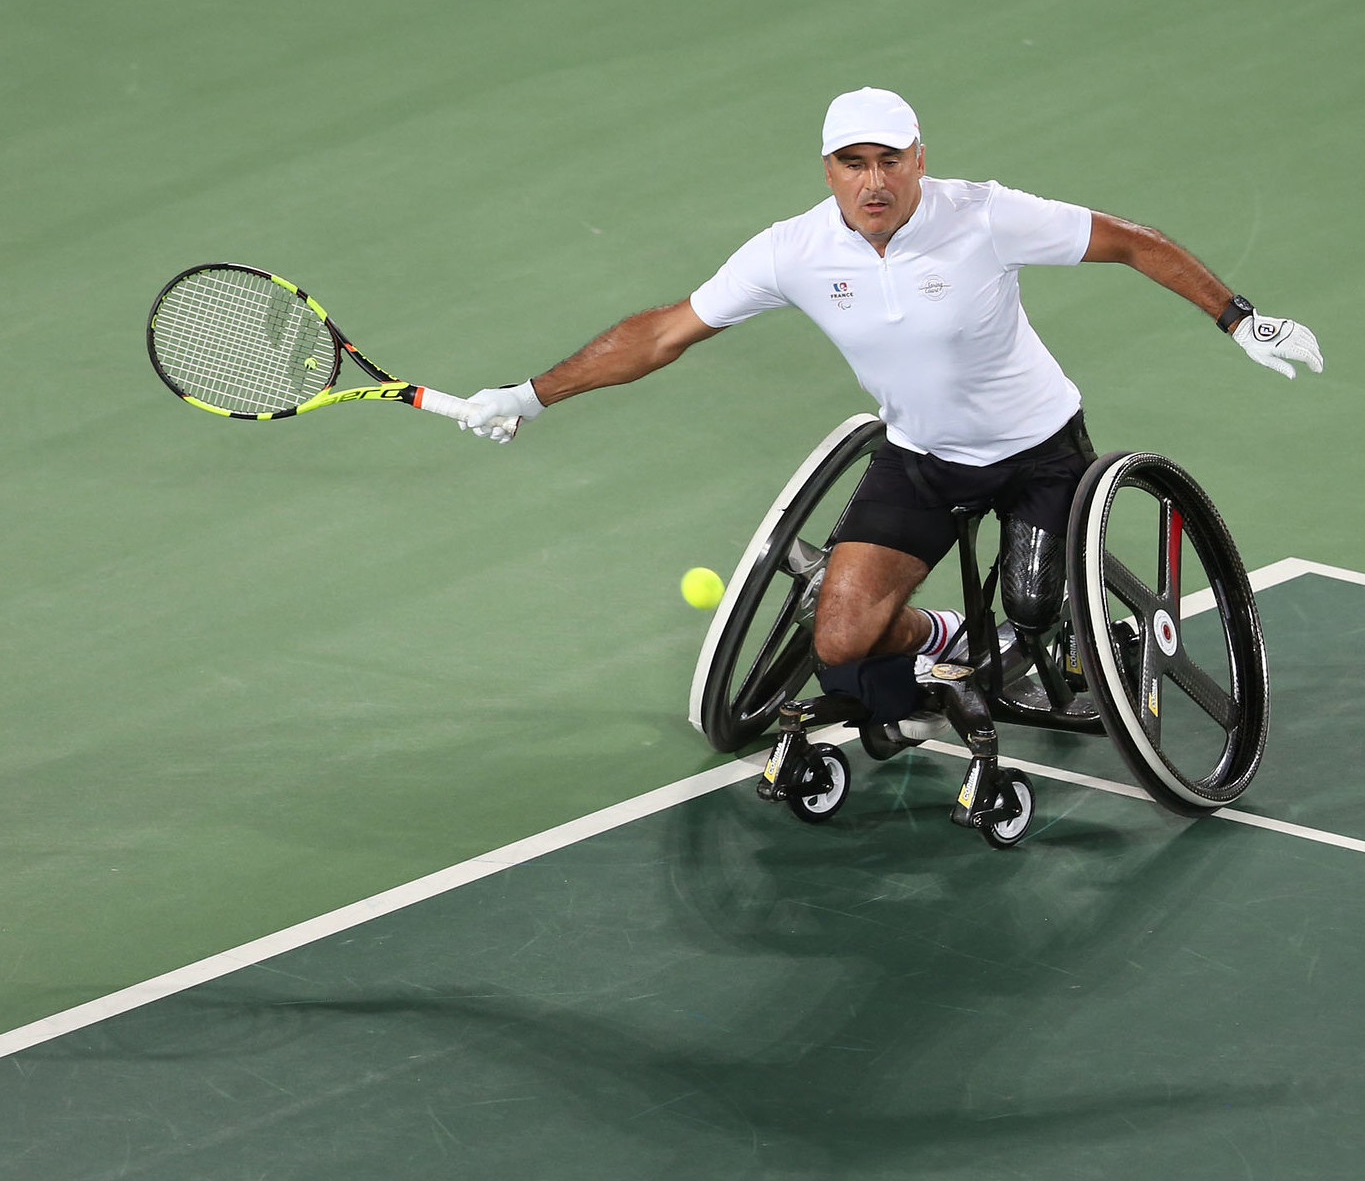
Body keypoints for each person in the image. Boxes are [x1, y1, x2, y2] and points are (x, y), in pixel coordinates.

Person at [441, 87, 1323, 724]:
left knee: (1028, 609)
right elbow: (663, 332)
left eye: (889, 161)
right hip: (921, 457)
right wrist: (529, 394)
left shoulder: (984, 216)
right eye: (853, 163)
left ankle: (1046, 633)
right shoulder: (790, 251)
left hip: (1038, 449)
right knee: (839, 638)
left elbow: (1128, 243)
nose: (873, 180)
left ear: (918, 161)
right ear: (827, 170)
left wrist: (1238, 319)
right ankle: (940, 644)